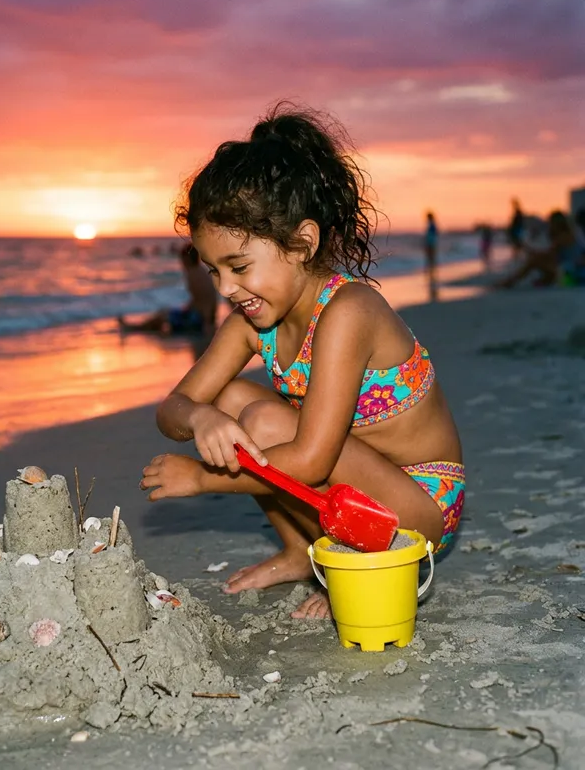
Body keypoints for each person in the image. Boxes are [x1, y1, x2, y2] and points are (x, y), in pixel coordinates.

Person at [140, 104, 464, 619]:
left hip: (419, 505)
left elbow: (312, 461)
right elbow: (172, 409)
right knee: (229, 401)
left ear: (302, 243)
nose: (225, 288)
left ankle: (349, 561)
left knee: (266, 420)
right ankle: (301, 549)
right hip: (351, 486)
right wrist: (201, 417)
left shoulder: (348, 312)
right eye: (213, 270)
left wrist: (203, 478)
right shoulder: (251, 323)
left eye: (239, 266)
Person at [118, 243, 217, 335]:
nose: (181, 263)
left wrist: (205, 322)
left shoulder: (192, 274)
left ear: (187, 259)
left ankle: (135, 328)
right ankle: (139, 327)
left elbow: (199, 302)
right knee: (166, 315)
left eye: (182, 260)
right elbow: (203, 300)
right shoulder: (202, 271)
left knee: (163, 316)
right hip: (204, 318)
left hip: (199, 320)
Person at [494, 209, 576, 289]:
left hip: (569, 275)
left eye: (551, 222)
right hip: (566, 272)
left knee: (534, 261)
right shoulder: (567, 235)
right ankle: (512, 281)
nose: (549, 225)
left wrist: (531, 252)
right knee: (536, 259)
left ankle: (510, 282)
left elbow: (550, 255)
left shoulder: (565, 237)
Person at [424, 211, 439, 298]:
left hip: (431, 245)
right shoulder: (432, 225)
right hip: (432, 245)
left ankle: (432, 277)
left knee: (431, 260)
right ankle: (432, 276)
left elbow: (431, 236)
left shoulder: (432, 225)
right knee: (431, 260)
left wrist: (428, 244)